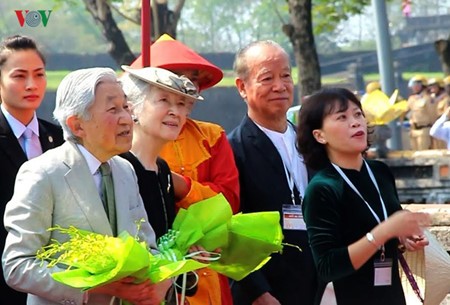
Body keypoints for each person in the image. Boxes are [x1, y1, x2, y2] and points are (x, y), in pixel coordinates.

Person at [2, 67, 170, 305]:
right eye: (113, 109)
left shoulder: (125, 170)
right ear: (77, 125)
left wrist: (165, 275)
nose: (126, 118)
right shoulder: (43, 173)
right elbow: (17, 265)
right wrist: (92, 288)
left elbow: (147, 246)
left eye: (125, 106)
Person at [130, 34, 240, 305]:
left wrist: (180, 185)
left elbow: (229, 201)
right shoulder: (122, 155)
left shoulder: (211, 136)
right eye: (165, 94)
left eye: (191, 83)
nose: (185, 87)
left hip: (205, 264)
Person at [296, 87, 432, 304]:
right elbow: (327, 266)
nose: (355, 122)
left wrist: (404, 237)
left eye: (357, 114)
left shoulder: (380, 171)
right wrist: (382, 233)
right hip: (345, 297)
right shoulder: (322, 187)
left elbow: (389, 225)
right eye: (342, 117)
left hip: (390, 295)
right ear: (319, 135)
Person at [227, 40, 319, 305]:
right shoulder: (233, 150)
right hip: (269, 292)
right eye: (267, 78)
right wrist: (257, 292)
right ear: (242, 87)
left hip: (321, 286)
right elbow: (231, 231)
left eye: (286, 76)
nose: (280, 86)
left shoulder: (312, 143)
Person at [0, 34, 64, 303]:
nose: (31, 85)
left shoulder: (62, 139)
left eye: (39, 75)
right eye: (19, 76)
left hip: (58, 281)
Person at [406, 75, 436, 150]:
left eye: (416, 85)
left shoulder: (429, 99)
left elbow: (432, 115)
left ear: (422, 86)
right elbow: (407, 113)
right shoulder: (412, 99)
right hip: (413, 130)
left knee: (423, 153)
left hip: (424, 130)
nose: (413, 87)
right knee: (414, 154)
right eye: (413, 85)